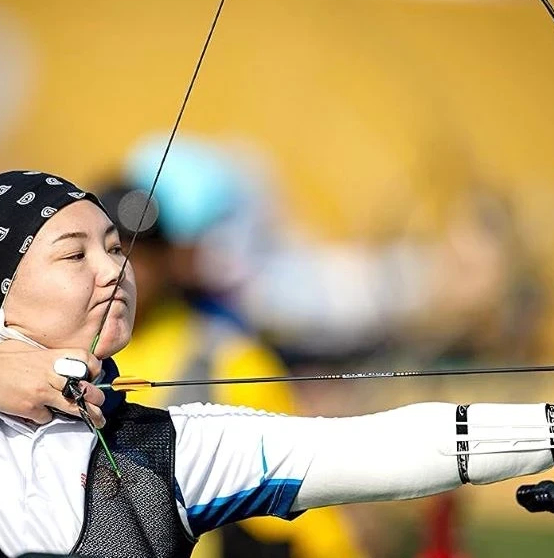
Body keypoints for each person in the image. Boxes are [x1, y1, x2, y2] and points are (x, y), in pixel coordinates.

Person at [0, 170, 554, 558]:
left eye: (117, 248)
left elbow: (380, 448)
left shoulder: (174, 448)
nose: (114, 268)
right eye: (74, 253)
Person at [97, 182, 366, 558]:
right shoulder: (51, 365)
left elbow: (306, 503)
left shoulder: (230, 359)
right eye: (112, 251)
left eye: (141, 254)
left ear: (170, 259)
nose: (122, 271)